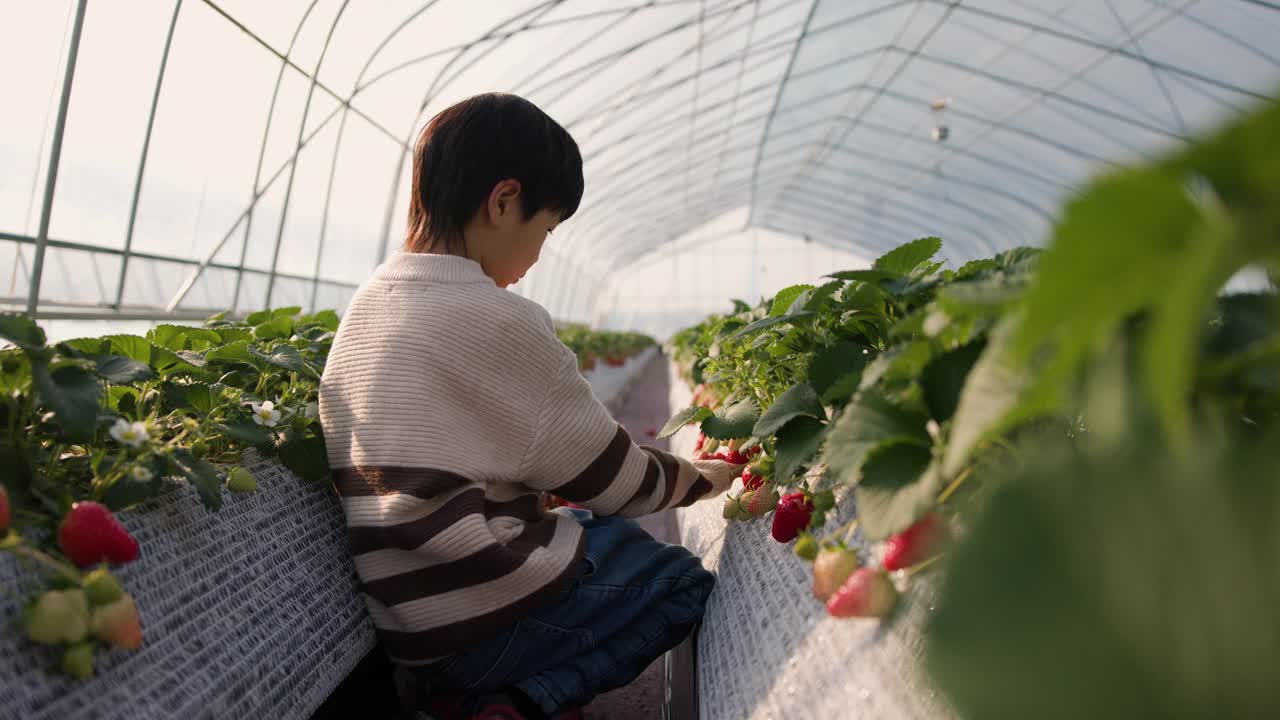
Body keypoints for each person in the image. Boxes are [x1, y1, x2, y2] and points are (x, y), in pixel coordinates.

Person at [318, 93, 744, 720]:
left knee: (595, 535)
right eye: (545, 229)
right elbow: (614, 479)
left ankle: (467, 693)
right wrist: (703, 479)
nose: (541, 253)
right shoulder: (501, 319)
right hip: (488, 608)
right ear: (503, 201)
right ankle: (520, 701)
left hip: (411, 630)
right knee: (679, 584)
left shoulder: (367, 306)